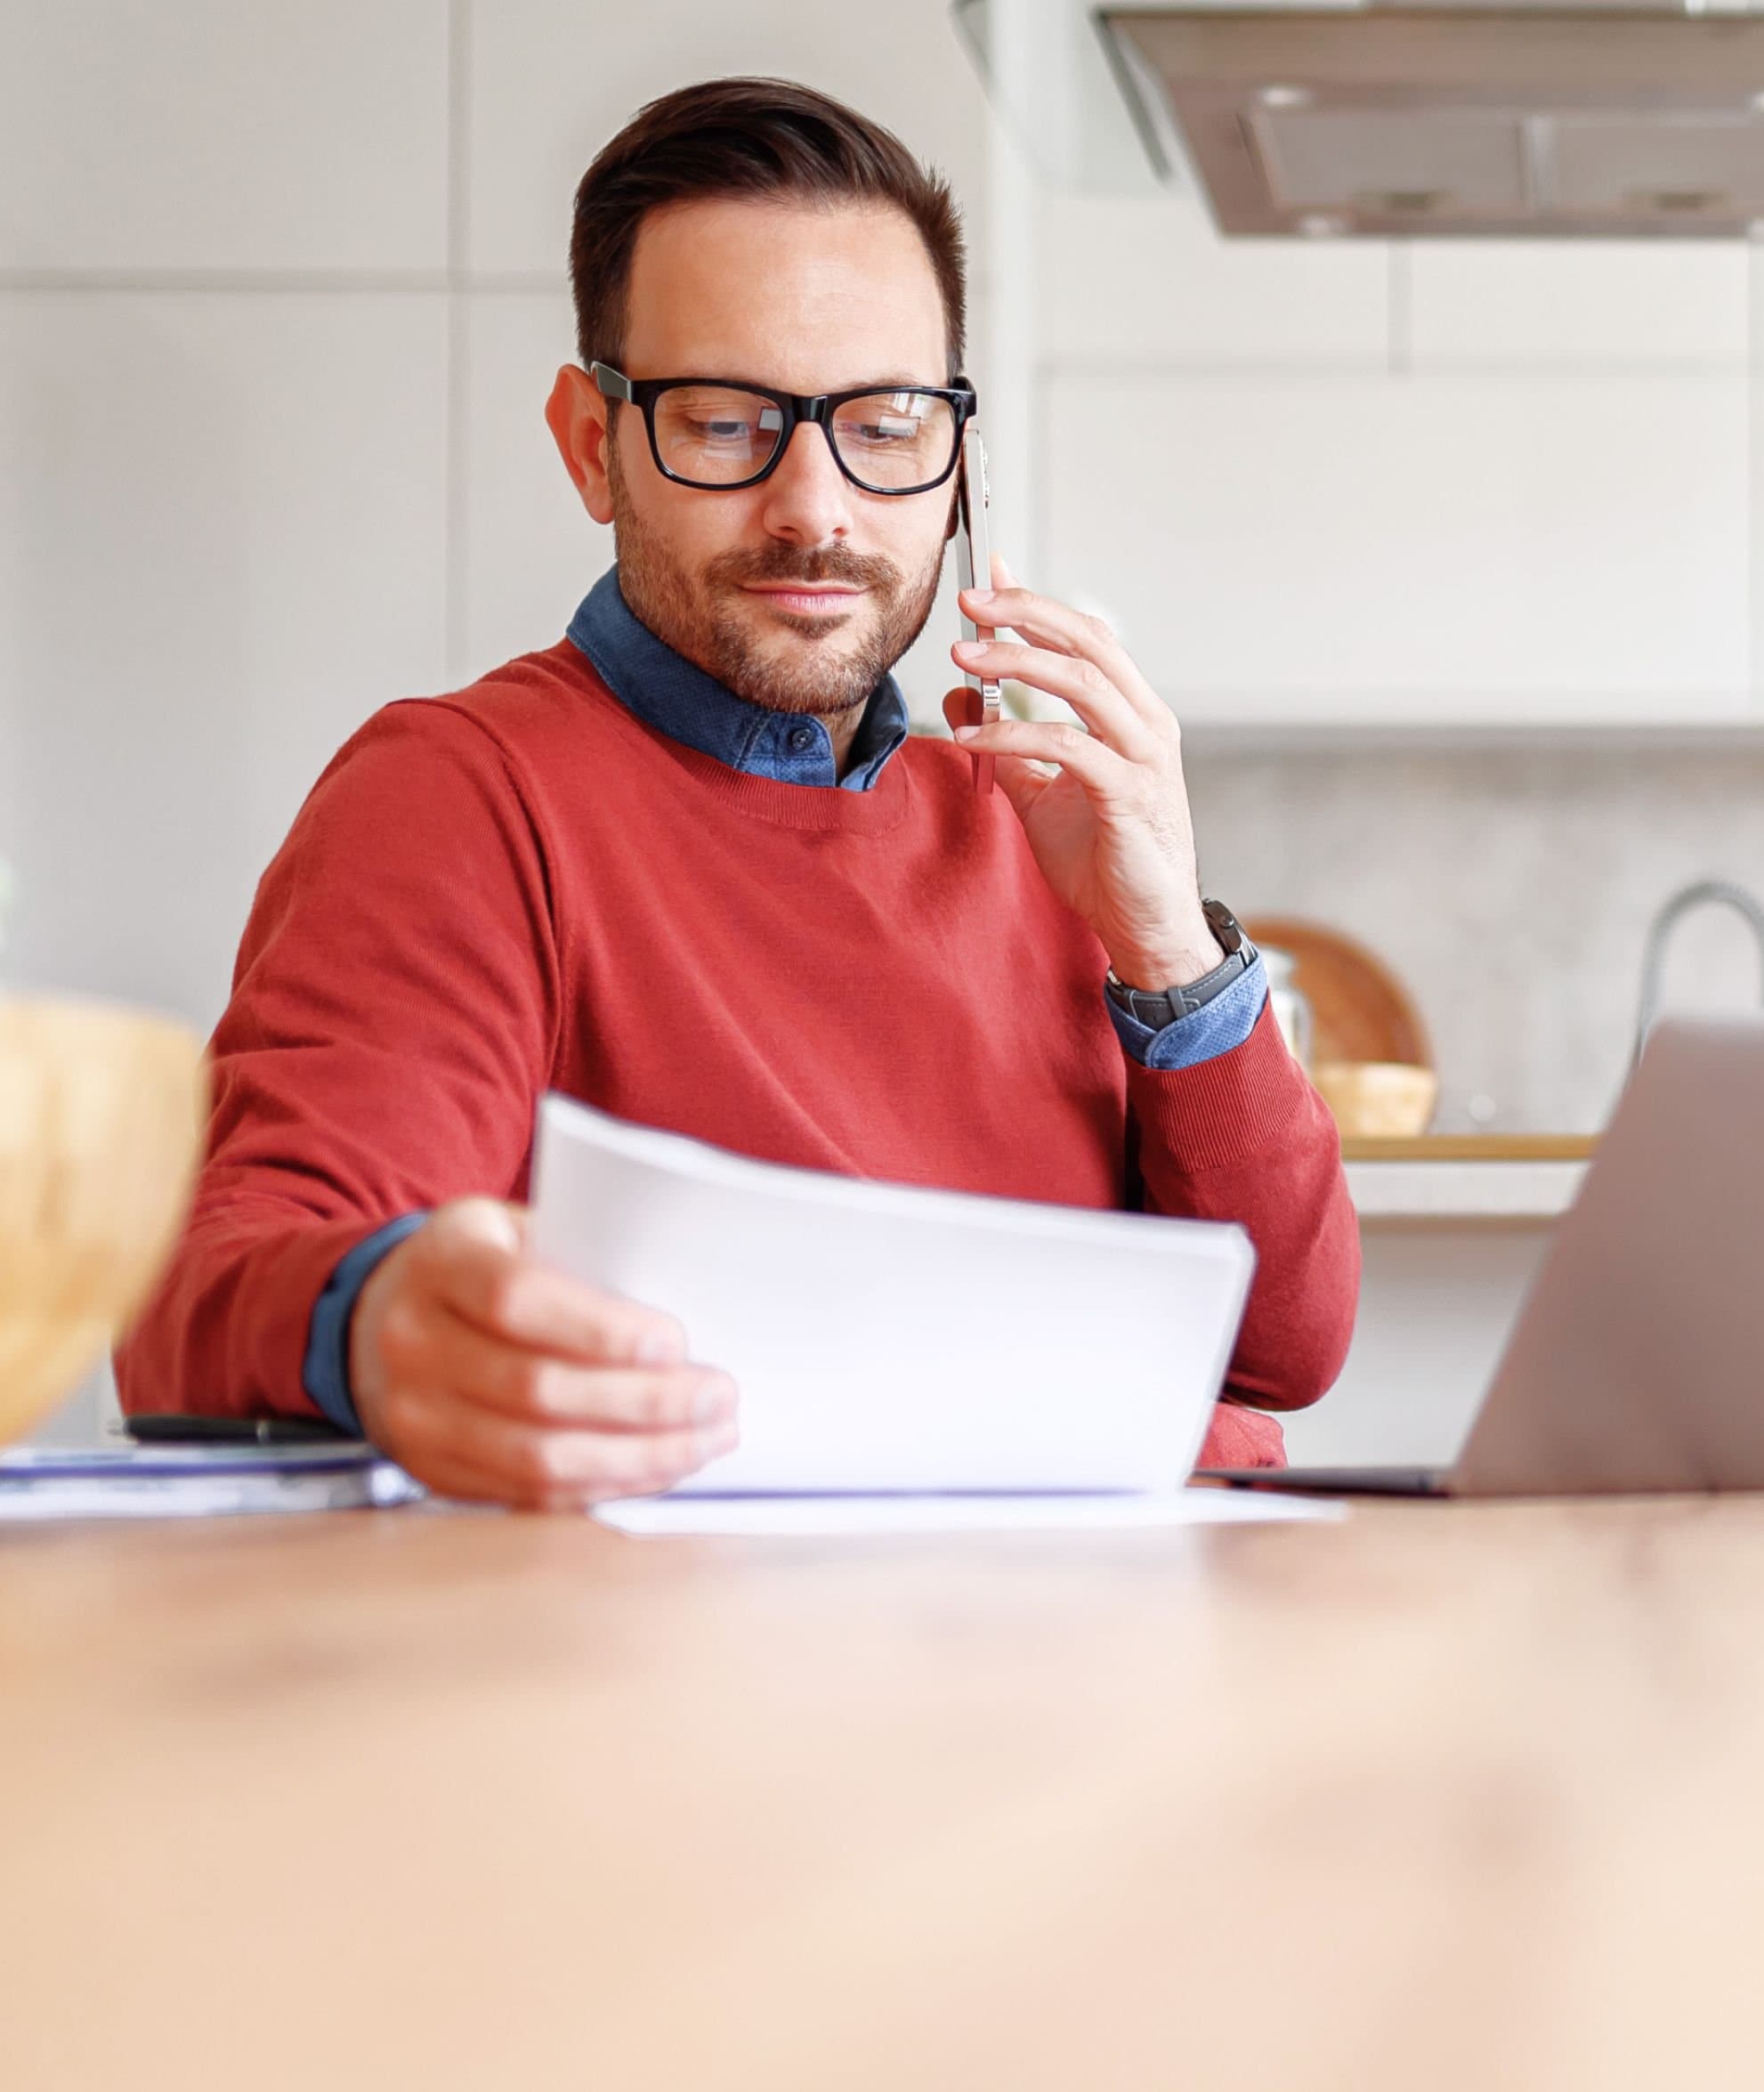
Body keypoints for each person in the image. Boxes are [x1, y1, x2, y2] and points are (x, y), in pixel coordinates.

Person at [117, 77, 1360, 1507]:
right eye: (723, 422)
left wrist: (1170, 952)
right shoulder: (463, 797)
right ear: (595, 445)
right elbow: (201, 1301)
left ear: (958, 461)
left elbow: (1289, 1348)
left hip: (1097, 1670)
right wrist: (379, 1319)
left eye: (886, 426)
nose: (817, 510)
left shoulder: (1044, 820)